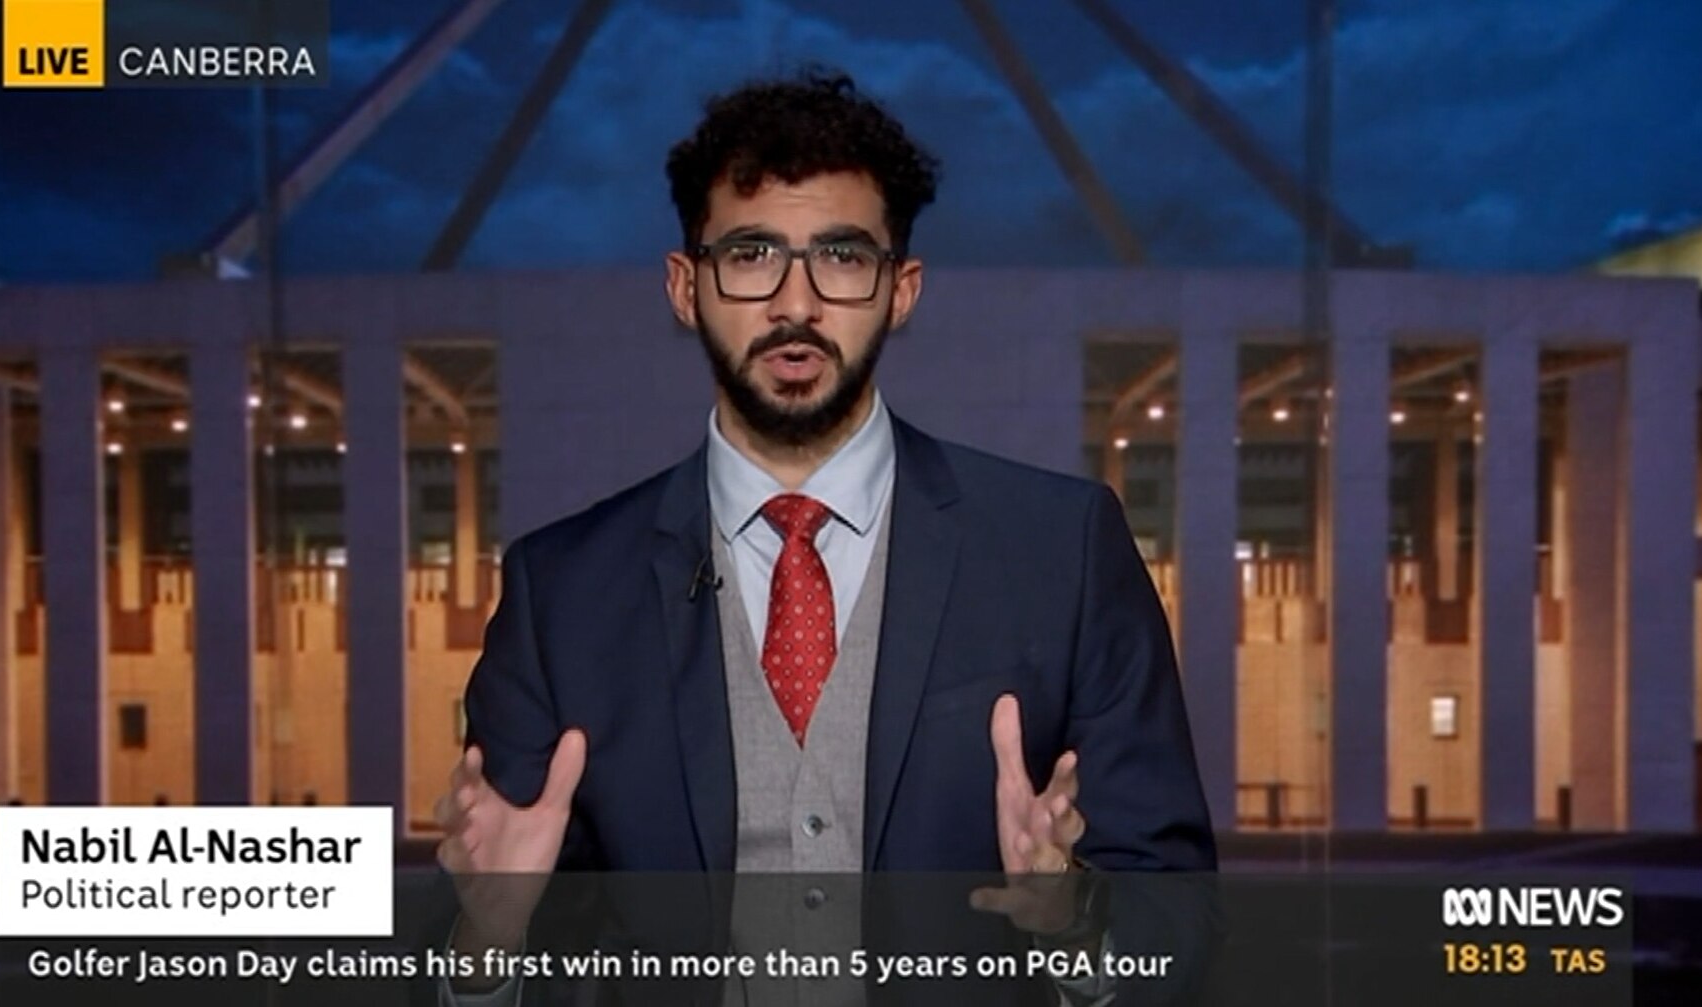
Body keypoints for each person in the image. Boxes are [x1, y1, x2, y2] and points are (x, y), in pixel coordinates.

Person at [434, 69, 1216, 1005]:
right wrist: (485, 941)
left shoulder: (1063, 549)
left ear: (901, 289)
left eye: (842, 257)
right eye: (752, 253)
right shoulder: (561, 589)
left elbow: (1174, 929)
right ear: (686, 287)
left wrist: (1076, 914)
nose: (796, 303)